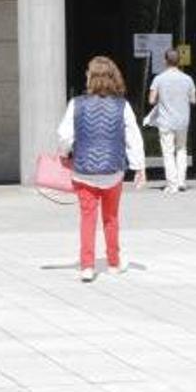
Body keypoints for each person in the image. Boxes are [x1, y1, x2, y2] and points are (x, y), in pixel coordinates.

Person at [57, 56, 146, 282]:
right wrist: (139, 167)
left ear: (92, 77)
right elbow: (133, 138)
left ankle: (87, 266)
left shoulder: (76, 103)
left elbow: (64, 136)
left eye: (88, 72)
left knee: (87, 217)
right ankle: (114, 262)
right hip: (112, 170)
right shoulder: (122, 105)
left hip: (83, 170)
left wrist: (64, 153)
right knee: (111, 218)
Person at [147, 48, 196, 193]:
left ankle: (172, 184)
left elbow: (151, 100)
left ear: (165, 61)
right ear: (179, 62)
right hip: (183, 121)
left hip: (166, 121)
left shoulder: (158, 79)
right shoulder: (188, 79)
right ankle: (181, 181)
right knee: (182, 150)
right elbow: (193, 100)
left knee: (168, 152)